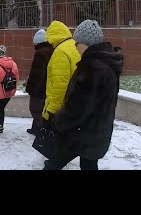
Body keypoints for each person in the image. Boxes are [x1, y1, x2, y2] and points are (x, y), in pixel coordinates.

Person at [43, 20, 123, 170]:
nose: (74, 46)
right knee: (89, 165)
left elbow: (77, 108)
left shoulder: (92, 68)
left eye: (76, 42)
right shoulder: (107, 63)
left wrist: (59, 120)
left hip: (79, 134)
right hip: (97, 133)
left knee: (54, 164)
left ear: (86, 43)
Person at [41, 20, 81, 128]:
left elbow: (60, 85)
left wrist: (51, 109)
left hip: (61, 107)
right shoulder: (74, 46)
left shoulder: (60, 51)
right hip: (74, 103)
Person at [25, 29, 54, 135]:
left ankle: (43, 130)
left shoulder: (40, 53)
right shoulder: (52, 50)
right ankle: (35, 129)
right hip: (48, 86)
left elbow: (37, 74)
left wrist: (31, 88)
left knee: (35, 109)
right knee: (41, 109)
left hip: (39, 88)